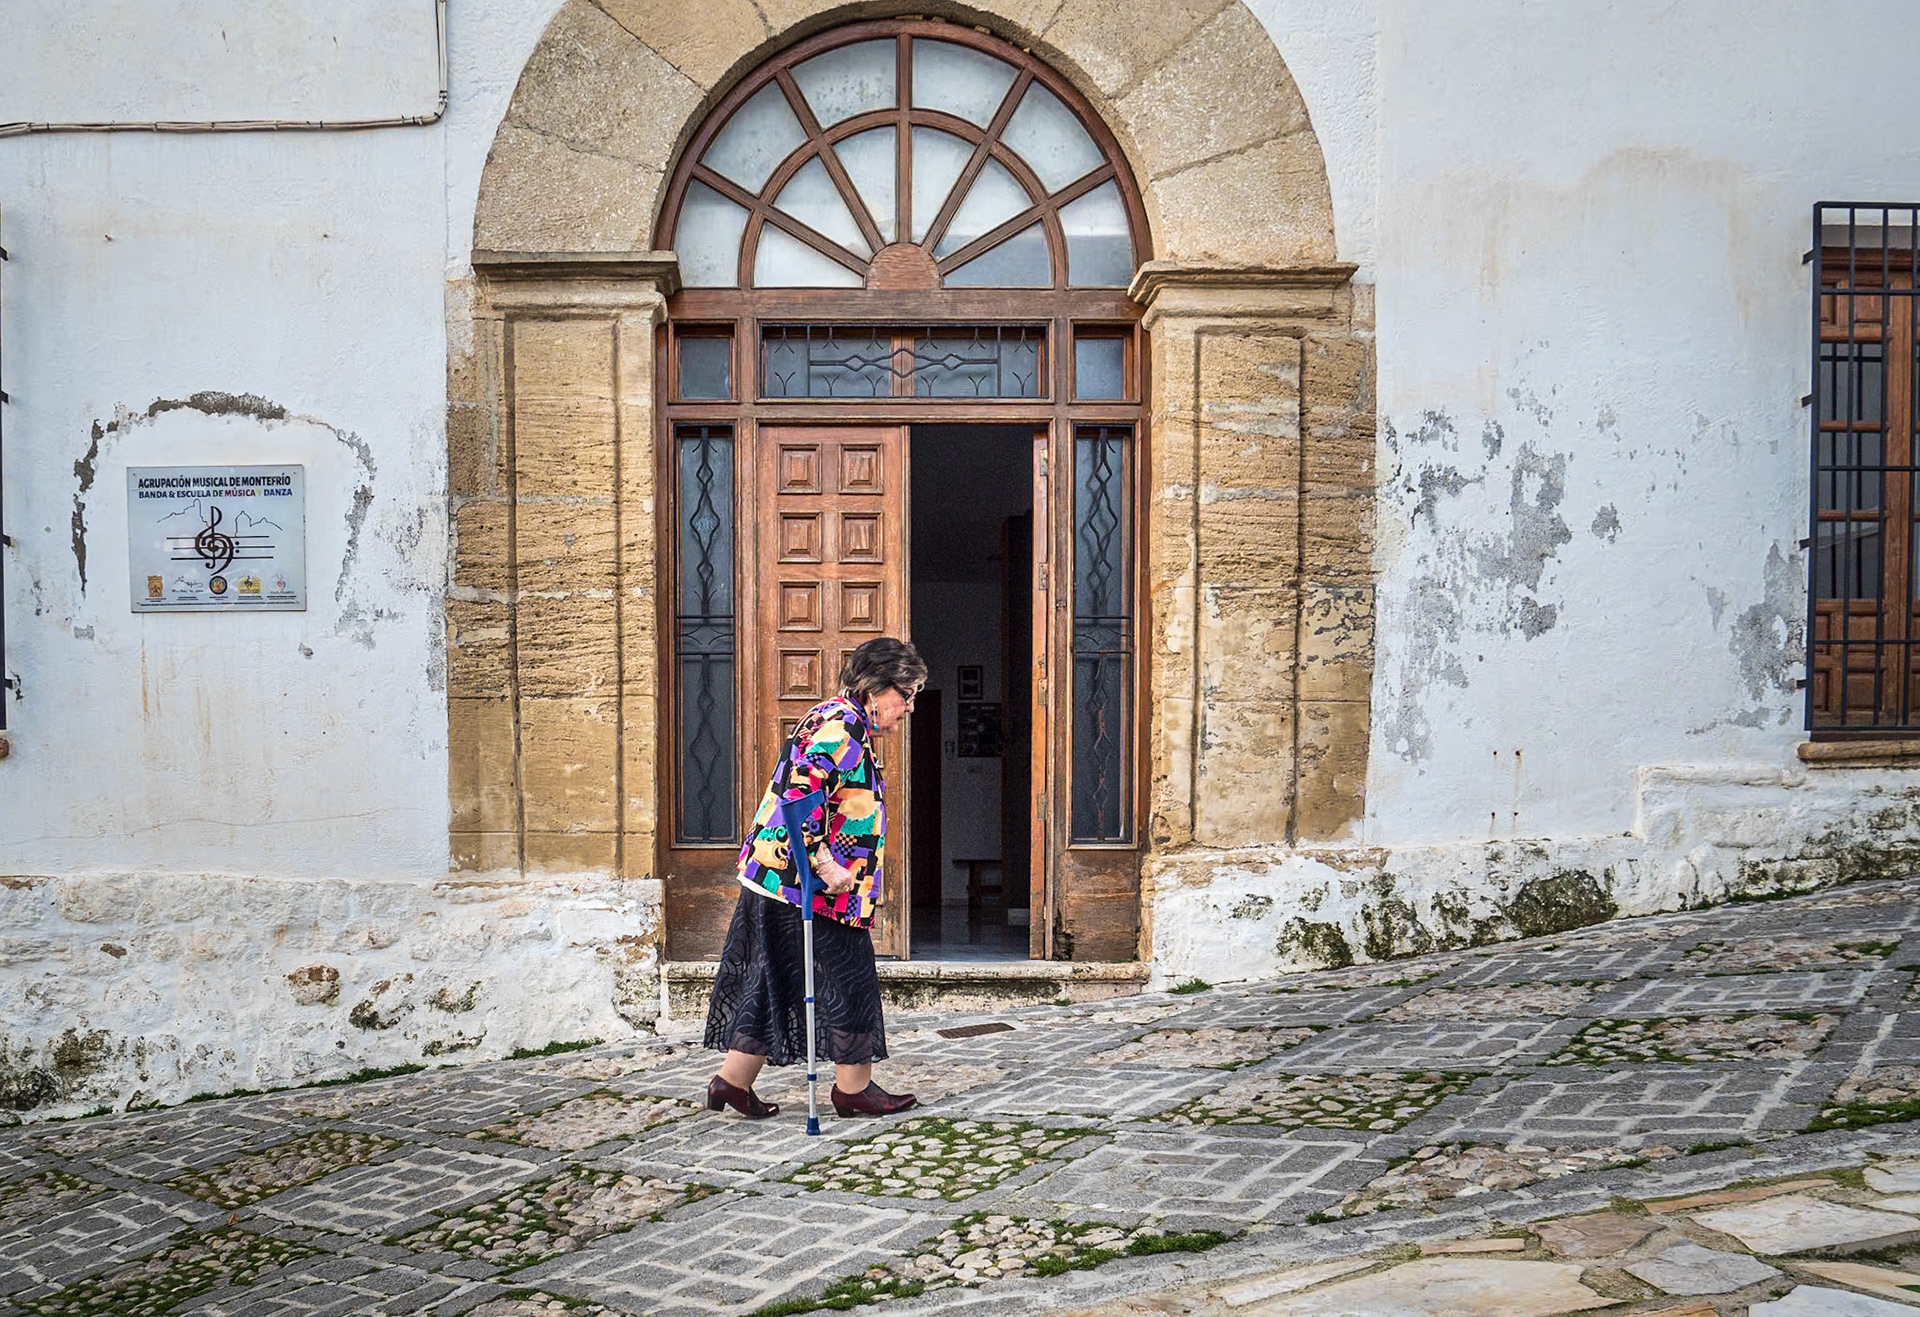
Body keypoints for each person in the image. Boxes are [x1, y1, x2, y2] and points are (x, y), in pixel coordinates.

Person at [703, 636, 929, 1119]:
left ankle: (731, 1083)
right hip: (807, 884)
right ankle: (853, 1089)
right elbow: (796, 794)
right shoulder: (840, 727)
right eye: (906, 695)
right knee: (849, 980)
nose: (909, 707)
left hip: (783, 878)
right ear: (875, 689)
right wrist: (825, 864)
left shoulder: (845, 722)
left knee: (774, 978)